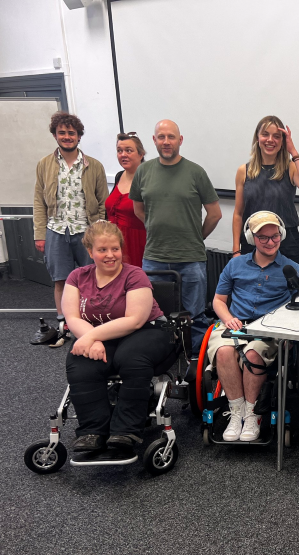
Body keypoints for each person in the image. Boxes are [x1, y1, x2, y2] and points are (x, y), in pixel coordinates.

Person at [62, 221, 176, 455]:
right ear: (90, 251)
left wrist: (91, 337)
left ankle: (126, 429)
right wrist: (91, 341)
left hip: (147, 330)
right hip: (100, 335)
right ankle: (93, 430)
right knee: (81, 364)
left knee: (131, 359)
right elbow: (72, 316)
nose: (110, 255)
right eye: (102, 250)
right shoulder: (77, 277)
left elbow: (134, 319)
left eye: (115, 249)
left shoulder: (135, 275)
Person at [207, 211, 299, 442]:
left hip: (268, 329)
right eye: (263, 238)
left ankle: (252, 415)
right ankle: (236, 411)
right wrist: (228, 317)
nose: (270, 242)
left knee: (252, 354)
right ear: (252, 239)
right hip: (236, 323)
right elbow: (218, 301)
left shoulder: (292, 269)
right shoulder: (235, 265)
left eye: (275, 237)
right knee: (224, 351)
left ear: (281, 236)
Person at [130, 119, 222, 356]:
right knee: (153, 313)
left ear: (180, 140)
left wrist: (195, 237)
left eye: (171, 137)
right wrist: (154, 227)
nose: (166, 142)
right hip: (154, 257)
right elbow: (139, 209)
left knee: (196, 315)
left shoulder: (195, 172)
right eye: (161, 137)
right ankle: (162, 357)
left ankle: (196, 362)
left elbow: (215, 214)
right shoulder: (143, 171)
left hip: (190, 257)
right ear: (154, 141)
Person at [33, 111, 109, 342]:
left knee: (93, 279)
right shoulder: (45, 164)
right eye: (62, 133)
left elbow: (103, 201)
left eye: (71, 133)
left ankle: (92, 321)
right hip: (56, 230)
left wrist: (101, 235)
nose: (67, 137)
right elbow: (38, 200)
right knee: (61, 280)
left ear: (78, 136)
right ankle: (63, 323)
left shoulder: (93, 165)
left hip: (87, 231)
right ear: (55, 135)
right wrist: (39, 233)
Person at [232, 116, 299, 267]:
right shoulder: (243, 171)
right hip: (253, 241)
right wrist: (235, 251)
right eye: (265, 134)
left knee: (290, 288)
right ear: (257, 138)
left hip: (286, 242)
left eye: (277, 136)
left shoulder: (290, 168)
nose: (270, 140)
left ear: (282, 141)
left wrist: (293, 152)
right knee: (252, 288)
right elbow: (238, 214)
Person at [106, 132, 147, 267]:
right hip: (113, 245)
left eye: (128, 150)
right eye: (119, 151)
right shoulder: (119, 176)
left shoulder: (147, 180)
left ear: (141, 154)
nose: (123, 154)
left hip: (137, 245)